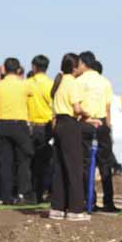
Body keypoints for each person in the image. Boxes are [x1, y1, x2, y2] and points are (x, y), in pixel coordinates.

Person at [49, 53, 91, 221]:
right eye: (80, 64)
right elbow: (76, 107)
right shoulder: (72, 83)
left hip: (59, 123)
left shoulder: (59, 81)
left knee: (59, 167)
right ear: (74, 68)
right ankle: (75, 209)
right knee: (74, 167)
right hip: (70, 125)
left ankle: (57, 207)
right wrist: (87, 114)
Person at [0, 57, 35, 205]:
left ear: (4, 70)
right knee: (23, 161)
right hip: (20, 124)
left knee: (5, 162)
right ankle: (22, 194)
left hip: (4, 125)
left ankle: (6, 196)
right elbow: (32, 97)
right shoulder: (24, 85)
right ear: (19, 70)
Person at [76, 52, 117, 212]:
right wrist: (108, 127)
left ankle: (89, 200)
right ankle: (109, 201)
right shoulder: (105, 81)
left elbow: (77, 106)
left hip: (85, 123)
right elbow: (108, 108)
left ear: (84, 64)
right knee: (105, 163)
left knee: (86, 164)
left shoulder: (78, 81)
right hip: (102, 124)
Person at [27, 54, 54, 203]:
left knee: (31, 162)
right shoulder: (50, 84)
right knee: (45, 162)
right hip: (47, 127)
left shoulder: (27, 83)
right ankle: (43, 192)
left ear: (33, 67)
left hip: (30, 126)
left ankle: (33, 194)